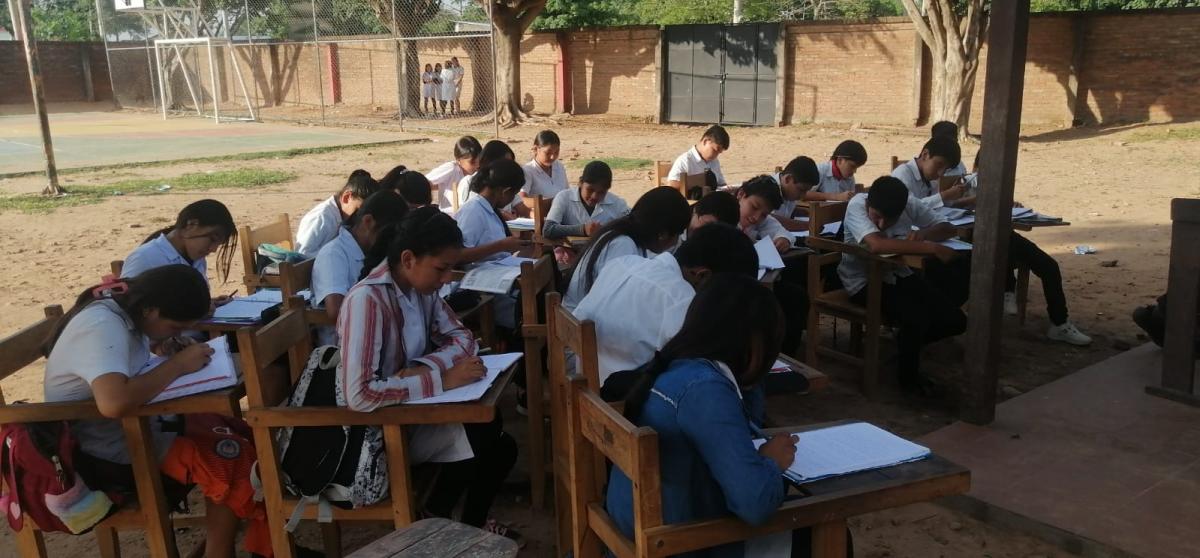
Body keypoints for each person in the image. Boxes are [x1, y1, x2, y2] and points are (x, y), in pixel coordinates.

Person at [43, 265, 272, 557]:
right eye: (175, 327)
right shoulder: (101, 326)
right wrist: (176, 366)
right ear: (151, 310)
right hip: (102, 453)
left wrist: (166, 346)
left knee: (240, 435)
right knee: (230, 456)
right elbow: (114, 402)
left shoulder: (126, 312)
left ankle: (241, 545)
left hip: (135, 429)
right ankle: (224, 551)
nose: (174, 333)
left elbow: (125, 365)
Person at [608, 274, 836, 558]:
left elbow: (738, 427)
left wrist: (749, 384)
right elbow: (755, 504)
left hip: (637, 535)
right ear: (754, 344)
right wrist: (771, 462)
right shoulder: (706, 391)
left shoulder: (675, 366)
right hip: (684, 542)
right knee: (825, 529)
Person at [338, 207, 520, 542]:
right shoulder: (368, 300)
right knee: (484, 435)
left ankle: (461, 524)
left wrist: (427, 367)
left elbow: (463, 338)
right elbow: (360, 394)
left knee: (499, 440)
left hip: (411, 411)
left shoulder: (422, 292)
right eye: (441, 268)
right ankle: (435, 524)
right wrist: (441, 379)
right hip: (378, 433)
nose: (446, 278)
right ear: (408, 259)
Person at [574, 222, 759, 388]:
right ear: (703, 276)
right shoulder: (683, 301)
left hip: (586, 384)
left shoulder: (624, 263)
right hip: (621, 405)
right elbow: (697, 373)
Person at [840, 177, 966, 395]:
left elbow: (947, 228)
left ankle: (906, 345)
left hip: (900, 274)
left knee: (956, 320)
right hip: (864, 281)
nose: (880, 225)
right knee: (915, 318)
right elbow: (877, 245)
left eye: (889, 220)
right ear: (869, 203)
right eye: (876, 217)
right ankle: (908, 382)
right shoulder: (857, 205)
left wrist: (925, 234)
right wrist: (931, 248)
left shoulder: (909, 202)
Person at [954, 153, 1091, 345]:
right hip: (975, 240)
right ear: (977, 167)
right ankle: (1007, 291)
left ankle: (1060, 324)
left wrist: (1013, 206)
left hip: (1007, 236)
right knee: (1002, 243)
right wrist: (974, 200)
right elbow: (949, 209)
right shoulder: (963, 184)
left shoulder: (997, 184)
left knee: (1049, 266)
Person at [563, 186, 691, 311]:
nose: (676, 242)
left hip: (581, 320)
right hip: (578, 325)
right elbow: (615, 303)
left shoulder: (625, 234)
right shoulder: (623, 246)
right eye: (678, 235)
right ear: (662, 234)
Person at [311, 191, 409, 346]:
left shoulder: (372, 250)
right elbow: (336, 311)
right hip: (344, 350)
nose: (390, 242)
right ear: (368, 222)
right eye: (386, 235)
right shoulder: (334, 254)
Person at [120, 199, 237, 291]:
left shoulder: (198, 260)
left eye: (218, 244)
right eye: (212, 239)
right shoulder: (145, 258)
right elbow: (129, 308)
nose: (213, 249)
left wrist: (209, 304)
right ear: (191, 225)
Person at [295, 169, 381, 257]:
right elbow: (302, 255)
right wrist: (337, 255)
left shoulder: (342, 215)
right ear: (346, 198)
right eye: (359, 211)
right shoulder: (321, 217)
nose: (360, 218)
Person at [542, 160, 630, 240]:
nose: (594, 196)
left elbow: (634, 225)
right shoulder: (564, 197)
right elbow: (548, 229)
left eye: (601, 192)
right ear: (580, 183)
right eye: (590, 190)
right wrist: (583, 229)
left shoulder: (617, 204)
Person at [891, 134, 965, 210]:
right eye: (939, 164)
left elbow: (933, 207)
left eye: (946, 169)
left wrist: (951, 195)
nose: (941, 173)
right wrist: (944, 195)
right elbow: (909, 209)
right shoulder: (902, 174)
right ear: (925, 155)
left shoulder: (931, 178)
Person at [456, 140, 525, 216]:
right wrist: (502, 215)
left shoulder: (509, 185)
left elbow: (523, 209)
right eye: (505, 164)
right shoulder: (468, 183)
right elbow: (466, 212)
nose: (509, 169)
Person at [735, 175, 793, 254]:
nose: (756, 217)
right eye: (754, 207)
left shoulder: (762, 220)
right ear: (741, 194)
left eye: (764, 215)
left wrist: (784, 239)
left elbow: (781, 231)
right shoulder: (721, 213)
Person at [668, 125, 729, 193]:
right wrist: (700, 181)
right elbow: (672, 185)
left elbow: (721, 184)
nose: (716, 155)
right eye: (715, 150)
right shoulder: (685, 160)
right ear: (705, 141)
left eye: (719, 152)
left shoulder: (715, 162)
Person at [427, 136, 482, 211]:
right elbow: (424, 183)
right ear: (458, 160)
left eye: (479, 160)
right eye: (472, 162)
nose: (478, 165)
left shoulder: (479, 173)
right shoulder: (451, 169)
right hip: (449, 217)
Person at [772, 156, 821, 231]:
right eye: (801, 190)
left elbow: (786, 212)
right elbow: (770, 220)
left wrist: (808, 213)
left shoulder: (789, 192)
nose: (803, 196)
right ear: (788, 179)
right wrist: (809, 225)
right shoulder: (768, 189)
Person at [521, 130, 569, 203]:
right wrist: (549, 203)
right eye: (548, 153)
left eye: (556, 152)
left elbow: (566, 192)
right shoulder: (527, 171)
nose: (552, 157)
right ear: (536, 149)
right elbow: (522, 199)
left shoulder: (559, 166)